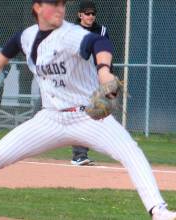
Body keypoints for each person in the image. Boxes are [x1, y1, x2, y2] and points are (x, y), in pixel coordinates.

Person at [0, 1, 176, 220]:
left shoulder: (71, 34)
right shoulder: (27, 35)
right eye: (53, 3)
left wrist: (104, 70)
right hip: (49, 119)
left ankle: (159, 211)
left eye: (62, 3)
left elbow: (98, 43)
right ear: (37, 8)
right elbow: (9, 48)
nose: (60, 8)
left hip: (88, 117)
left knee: (131, 151)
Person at [70, 0, 110, 166]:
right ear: (80, 15)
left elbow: (107, 52)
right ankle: (79, 154)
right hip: (77, 78)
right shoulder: (71, 30)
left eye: (93, 13)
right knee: (82, 115)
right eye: (87, 13)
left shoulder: (101, 30)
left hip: (96, 76)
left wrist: (108, 75)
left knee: (94, 115)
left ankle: (80, 153)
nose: (91, 16)